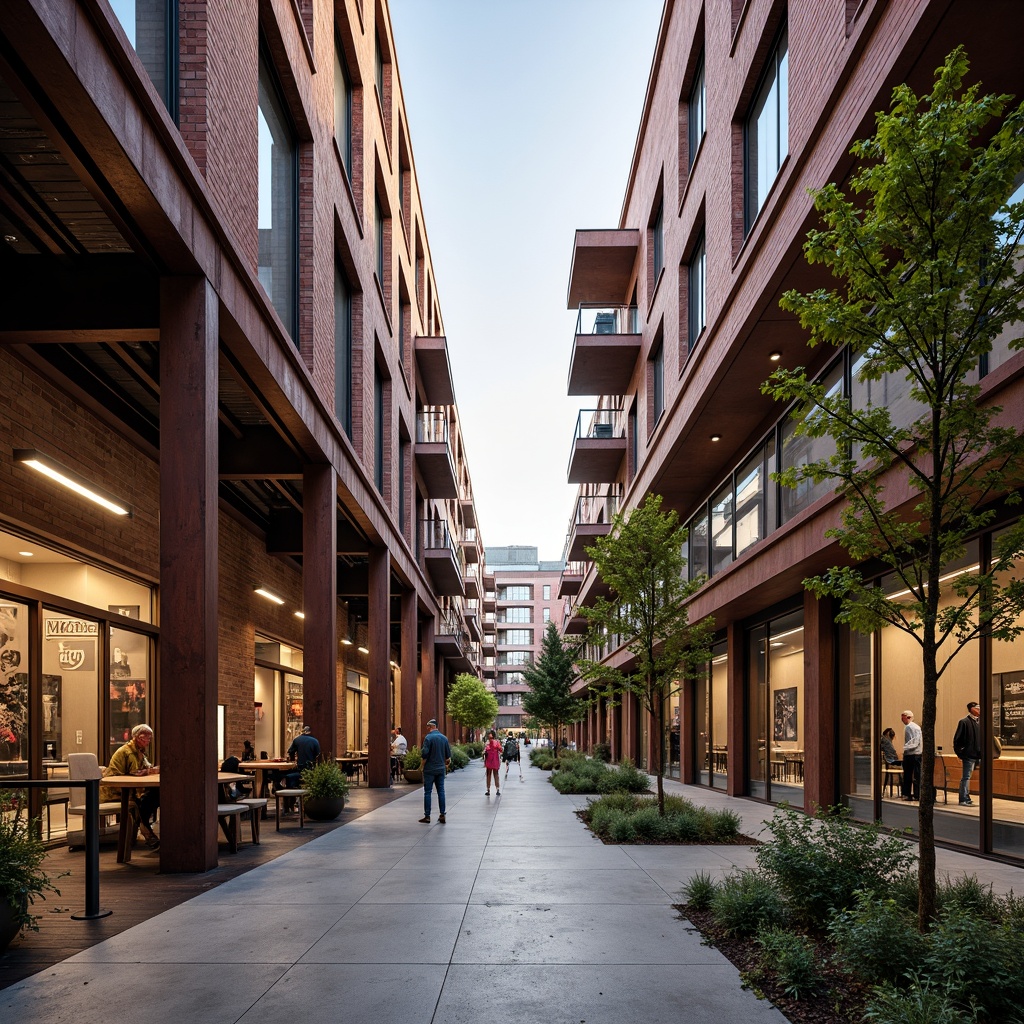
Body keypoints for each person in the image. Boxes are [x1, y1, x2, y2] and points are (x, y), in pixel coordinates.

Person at [102, 723, 159, 849]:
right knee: (143, 802)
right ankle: (147, 834)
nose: (149, 741)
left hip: (128, 789)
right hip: (115, 791)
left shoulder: (138, 751)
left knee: (153, 796)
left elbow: (146, 767)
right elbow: (135, 773)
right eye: (147, 738)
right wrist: (149, 771)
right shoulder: (128, 752)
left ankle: (146, 832)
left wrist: (150, 770)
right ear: (139, 737)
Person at [419, 718, 451, 824]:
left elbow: (424, 754)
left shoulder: (428, 738)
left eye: (428, 726)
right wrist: (445, 765)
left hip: (429, 769)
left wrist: (422, 766)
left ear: (432, 726)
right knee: (441, 791)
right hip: (440, 769)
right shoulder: (444, 738)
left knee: (427, 792)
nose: (427, 728)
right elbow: (448, 759)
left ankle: (427, 816)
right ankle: (442, 814)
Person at [953, 701, 982, 806]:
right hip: (969, 755)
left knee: (971, 777)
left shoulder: (980, 722)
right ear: (971, 709)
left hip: (979, 755)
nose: (979, 710)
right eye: (977, 708)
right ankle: (963, 798)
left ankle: (967, 796)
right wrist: (961, 753)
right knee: (966, 777)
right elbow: (957, 739)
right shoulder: (964, 722)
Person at [283, 725, 321, 789]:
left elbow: (290, 751)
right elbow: (318, 755)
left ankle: (289, 792)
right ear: (310, 732)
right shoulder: (315, 741)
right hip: (311, 769)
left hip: (300, 768)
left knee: (285, 775)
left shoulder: (297, 740)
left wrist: (293, 760)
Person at [900, 710, 923, 801]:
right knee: (916, 775)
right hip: (916, 754)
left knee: (908, 775)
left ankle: (908, 794)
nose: (902, 719)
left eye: (903, 717)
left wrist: (905, 748)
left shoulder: (910, 727)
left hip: (912, 754)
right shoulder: (915, 727)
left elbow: (914, 742)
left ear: (908, 717)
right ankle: (917, 794)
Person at [483, 729, 502, 796]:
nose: (490, 738)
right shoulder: (492, 743)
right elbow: (500, 750)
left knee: (493, 775)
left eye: (491, 737)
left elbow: (500, 749)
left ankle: (494, 789)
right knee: (491, 775)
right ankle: (491, 789)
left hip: (493, 761)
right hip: (491, 761)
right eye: (489, 737)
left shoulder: (493, 742)